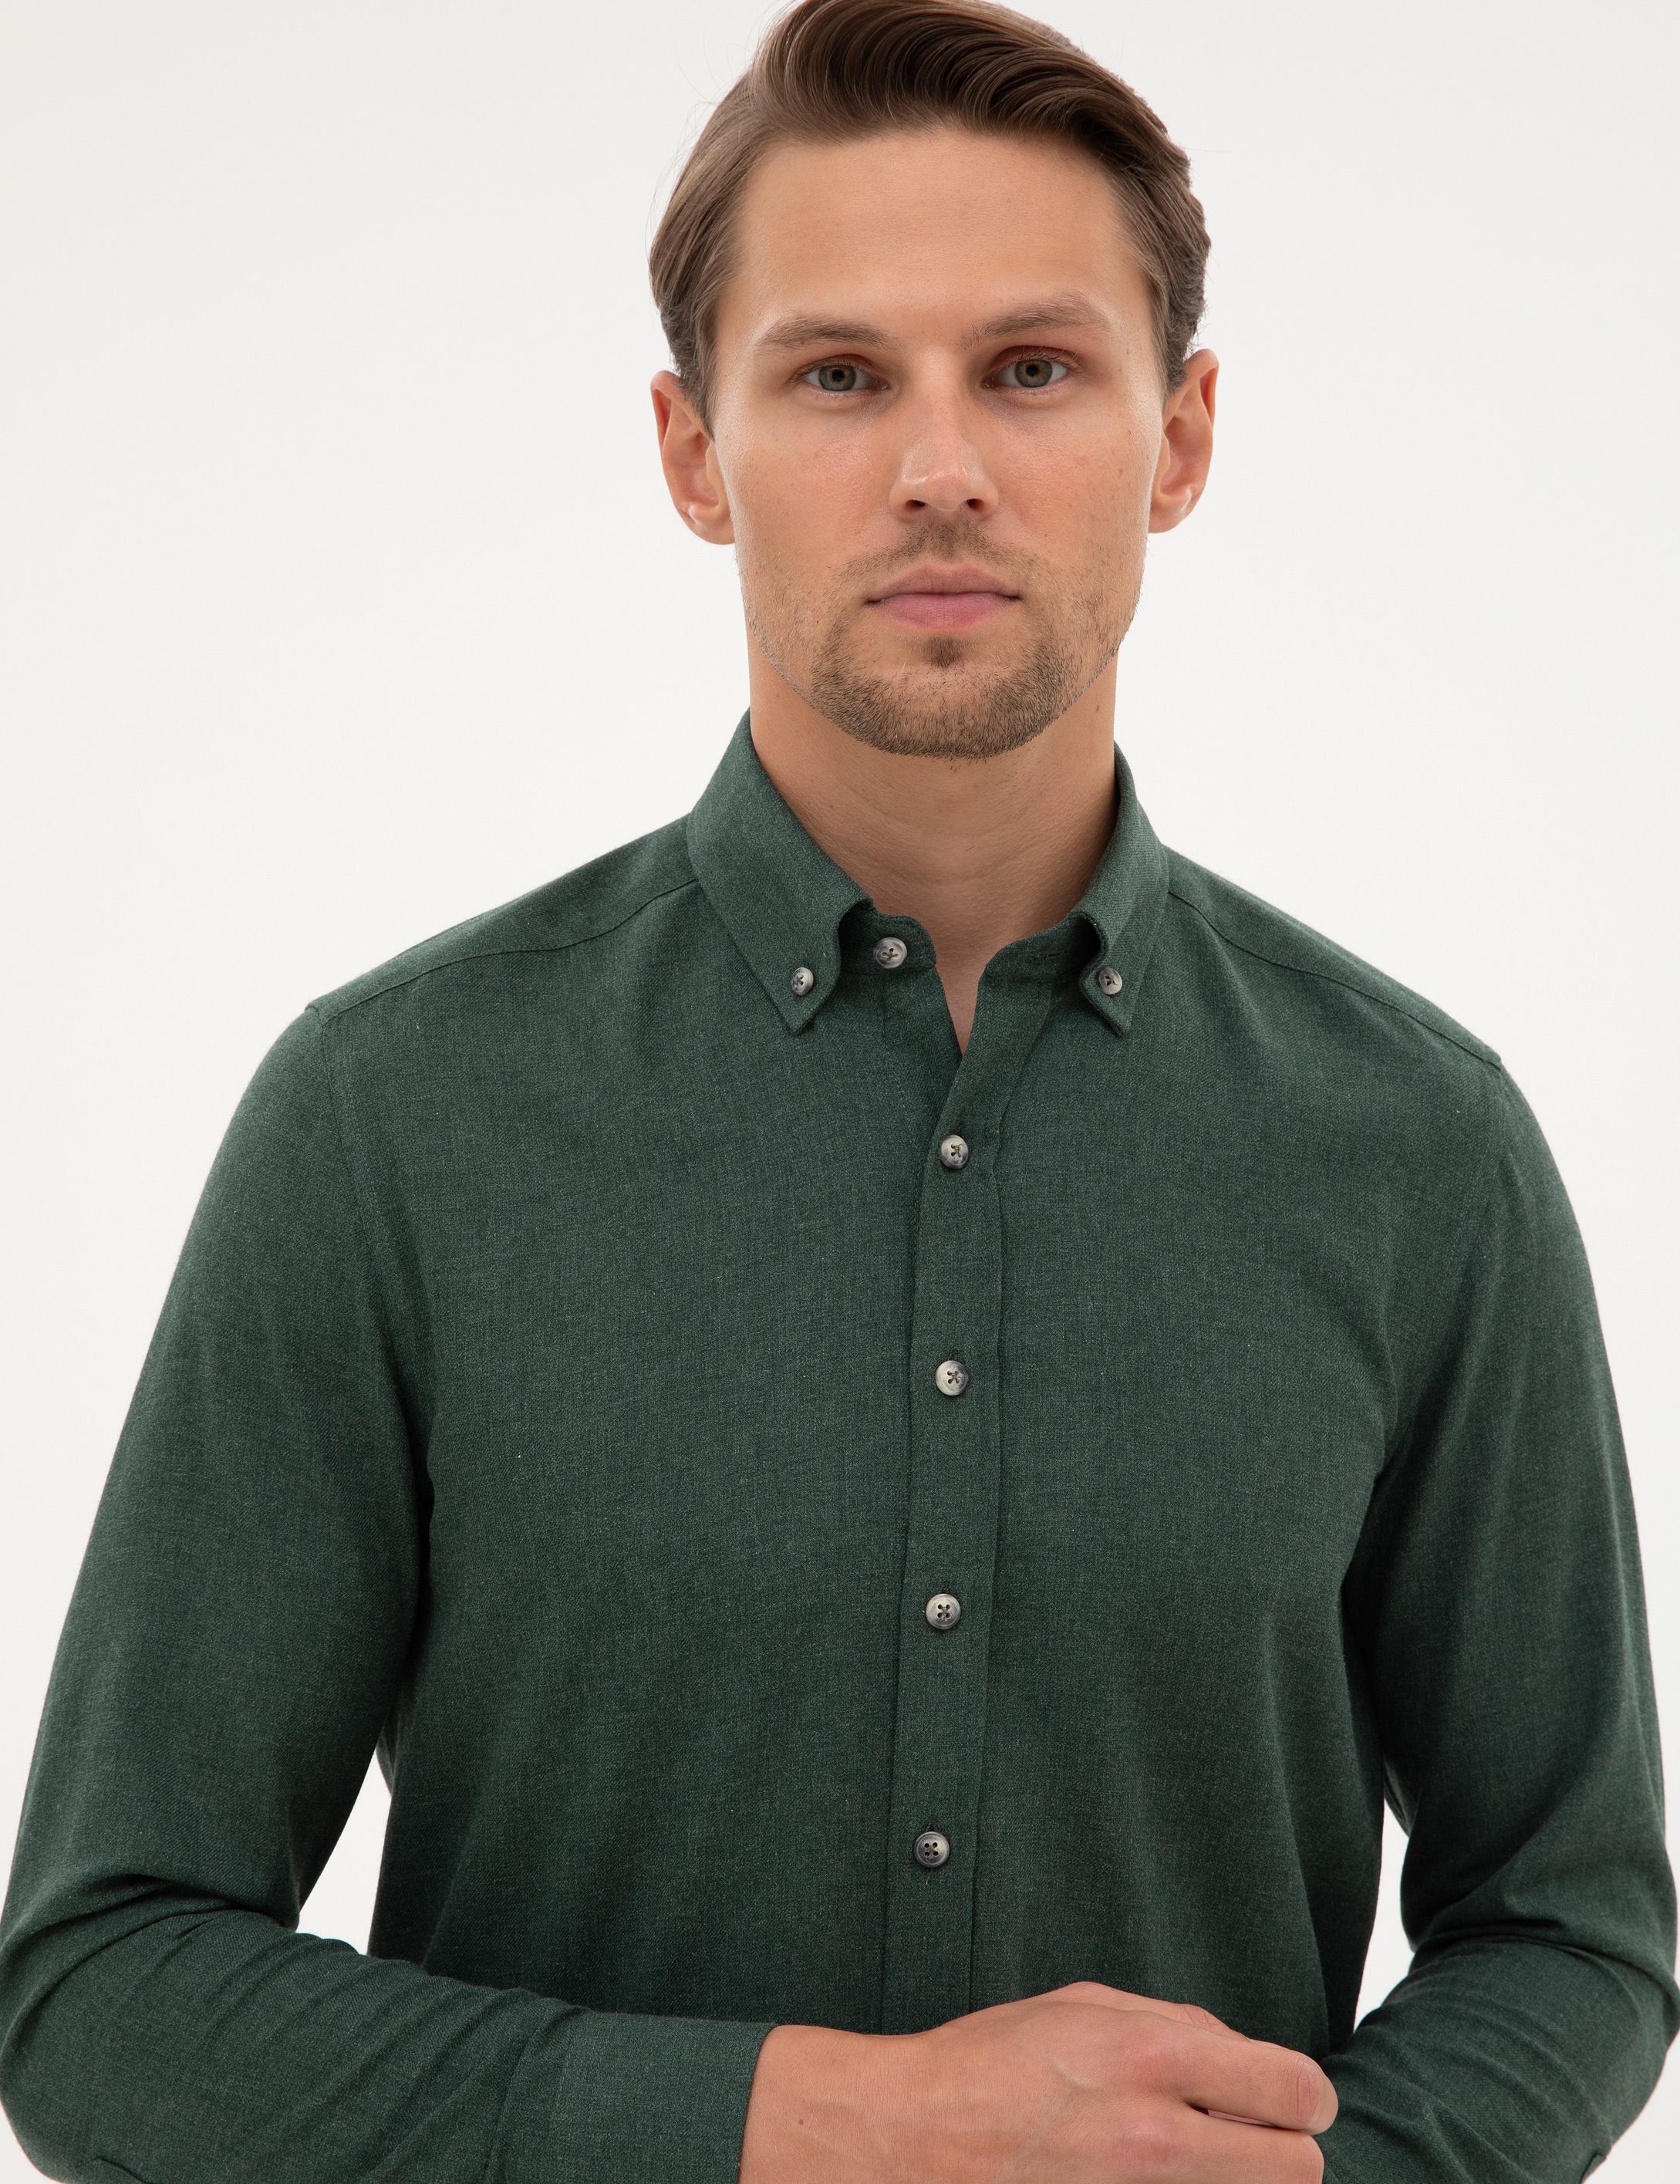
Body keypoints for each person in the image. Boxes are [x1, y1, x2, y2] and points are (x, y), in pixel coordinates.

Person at [2, 0, 1673, 2177]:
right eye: (837, 375)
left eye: (1031, 368)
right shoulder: (387, 1120)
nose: (939, 465)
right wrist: (813, 2122)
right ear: (694, 453)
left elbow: (1571, 1927)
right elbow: (104, 1985)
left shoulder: (1422, 1149)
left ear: (1178, 440)